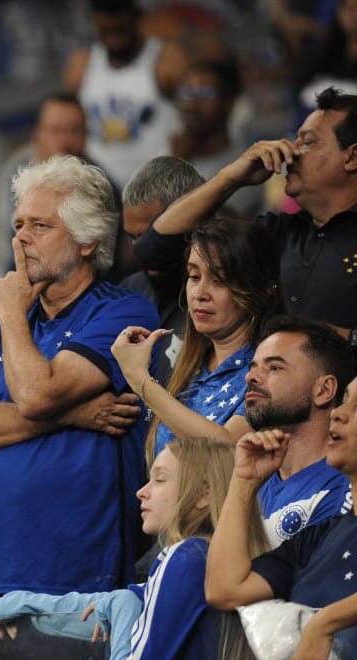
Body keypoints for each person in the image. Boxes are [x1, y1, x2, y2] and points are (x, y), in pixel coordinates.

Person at [0, 154, 159, 613]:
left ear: (87, 241)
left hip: (75, 576)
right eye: (18, 223)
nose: (20, 237)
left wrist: (10, 314)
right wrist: (74, 415)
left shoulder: (122, 313)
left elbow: (36, 393)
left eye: (39, 226)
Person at [0, 436, 265, 660]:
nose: (142, 492)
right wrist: (25, 605)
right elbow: (101, 608)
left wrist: (123, 605)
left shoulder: (185, 557)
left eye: (160, 480)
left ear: (204, 495)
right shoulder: (207, 559)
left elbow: (129, 644)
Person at [149, 86, 357, 334]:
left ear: (352, 157)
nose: (291, 152)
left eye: (308, 142)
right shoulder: (274, 232)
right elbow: (155, 248)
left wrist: (337, 340)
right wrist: (230, 177)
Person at [204, 397, 357, 660]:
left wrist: (326, 622)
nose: (338, 413)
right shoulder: (321, 536)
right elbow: (224, 590)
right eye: (344, 401)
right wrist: (244, 482)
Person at [112, 218, 285, 461]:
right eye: (194, 276)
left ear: (263, 290)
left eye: (220, 280)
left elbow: (228, 448)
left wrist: (140, 380)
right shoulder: (191, 367)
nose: (200, 294)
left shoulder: (272, 372)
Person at [245, 315, 355, 545]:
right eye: (253, 367)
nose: (250, 377)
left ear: (324, 390)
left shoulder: (344, 489)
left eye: (274, 367)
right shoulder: (250, 480)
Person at [64, 0, 188, 187]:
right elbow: (69, 129)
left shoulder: (166, 61)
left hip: (159, 187)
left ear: (136, 16)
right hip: (102, 189)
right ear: (95, 22)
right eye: (107, 30)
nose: (115, 37)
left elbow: (194, 128)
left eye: (120, 29)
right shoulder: (81, 66)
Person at [120, 155, 206, 382]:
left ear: (192, 221)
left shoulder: (220, 302)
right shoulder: (130, 291)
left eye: (151, 237)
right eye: (134, 237)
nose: (142, 252)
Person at [0, 94, 90, 256]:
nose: (65, 140)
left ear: (86, 136)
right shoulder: (15, 171)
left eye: (74, 131)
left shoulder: (100, 185)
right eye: (56, 131)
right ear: (37, 134)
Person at [168, 60, 262, 217]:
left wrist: (177, 167)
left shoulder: (245, 168)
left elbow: (211, 227)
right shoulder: (168, 153)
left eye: (206, 94)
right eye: (186, 93)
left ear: (230, 103)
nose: (192, 105)